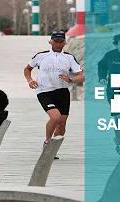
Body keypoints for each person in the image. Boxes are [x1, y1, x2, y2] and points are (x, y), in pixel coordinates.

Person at [23, 31, 84, 159]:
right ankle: (47, 143)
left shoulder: (69, 58)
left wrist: (71, 79)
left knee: (62, 123)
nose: (58, 44)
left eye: (61, 41)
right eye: (55, 41)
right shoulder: (41, 56)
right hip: (44, 91)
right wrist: (30, 80)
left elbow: (81, 76)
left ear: (65, 43)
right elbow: (27, 69)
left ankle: (53, 150)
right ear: (50, 42)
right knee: (55, 117)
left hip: (62, 92)